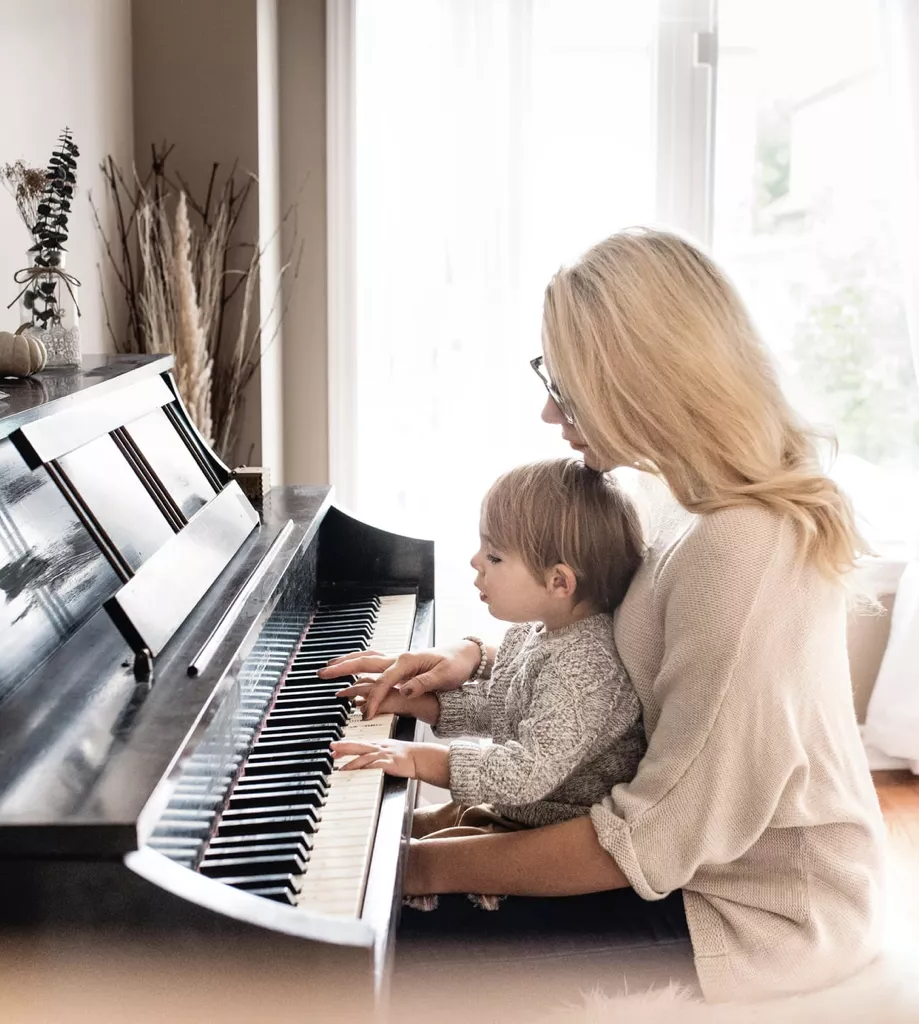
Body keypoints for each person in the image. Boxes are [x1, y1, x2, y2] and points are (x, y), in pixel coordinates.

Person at [321, 228, 887, 1004]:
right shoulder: (668, 493)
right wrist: (473, 657)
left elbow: (646, 840)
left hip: (744, 911)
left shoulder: (743, 549)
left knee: (364, 950)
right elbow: (599, 646)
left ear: (645, 380)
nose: (549, 409)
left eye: (569, 385)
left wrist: (404, 864)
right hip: (671, 861)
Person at [330, 459, 647, 909]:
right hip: (522, 814)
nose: (476, 562)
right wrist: (418, 704)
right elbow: (504, 707)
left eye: (494, 556)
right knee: (367, 830)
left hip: (545, 837)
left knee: (378, 871)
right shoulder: (541, 629)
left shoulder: (588, 665)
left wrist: (421, 759)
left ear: (559, 581)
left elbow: (526, 773)